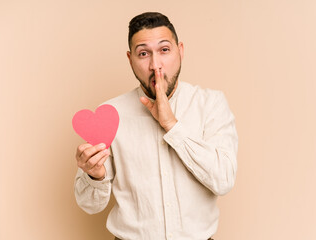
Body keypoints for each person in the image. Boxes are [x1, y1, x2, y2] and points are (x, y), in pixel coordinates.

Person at [74, 12, 238, 240]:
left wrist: (172, 125)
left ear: (180, 51)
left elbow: (224, 180)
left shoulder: (210, 104)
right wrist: (94, 176)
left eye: (164, 50)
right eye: (143, 54)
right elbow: (89, 205)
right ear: (130, 59)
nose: (155, 65)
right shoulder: (110, 115)